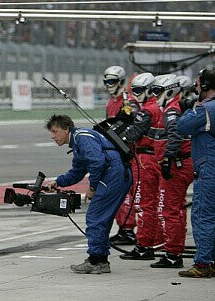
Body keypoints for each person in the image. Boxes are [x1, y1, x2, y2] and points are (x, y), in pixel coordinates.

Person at [46, 114, 131, 274]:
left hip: (113, 175)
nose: (52, 136)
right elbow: (77, 172)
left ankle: (96, 260)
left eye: (55, 132)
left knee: (95, 216)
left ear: (66, 129)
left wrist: (92, 188)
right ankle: (101, 259)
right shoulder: (78, 142)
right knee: (101, 218)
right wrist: (58, 182)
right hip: (117, 174)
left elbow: (97, 162)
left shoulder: (82, 138)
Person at [175, 70, 215, 279]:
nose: (196, 88)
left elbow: (182, 126)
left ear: (207, 85)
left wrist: (185, 108)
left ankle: (202, 264)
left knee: (202, 217)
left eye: (198, 85)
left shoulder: (206, 108)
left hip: (210, 167)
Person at [119, 72, 164, 261]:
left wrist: (125, 125)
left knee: (143, 204)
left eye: (138, 90)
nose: (136, 94)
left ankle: (144, 245)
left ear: (148, 90)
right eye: (134, 90)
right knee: (152, 203)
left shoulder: (147, 110)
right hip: (153, 158)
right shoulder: (157, 107)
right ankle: (156, 240)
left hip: (144, 160)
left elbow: (131, 135)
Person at [150, 74, 193, 269]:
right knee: (176, 209)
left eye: (157, 90)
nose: (153, 94)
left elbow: (175, 135)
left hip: (177, 165)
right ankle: (174, 250)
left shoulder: (172, 110)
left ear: (169, 90)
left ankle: (173, 254)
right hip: (184, 163)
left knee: (168, 210)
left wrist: (167, 159)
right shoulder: (176, 107)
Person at [103, 65, 137, 245]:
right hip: (113, 151)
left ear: (121, 82)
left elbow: (132, 126)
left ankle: (128, 229)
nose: (109, 85)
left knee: (127, 193)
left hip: (127, 153)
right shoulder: (110, 103)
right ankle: (123, 227)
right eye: (106, 81)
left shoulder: (128, 101)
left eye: (112, 81)